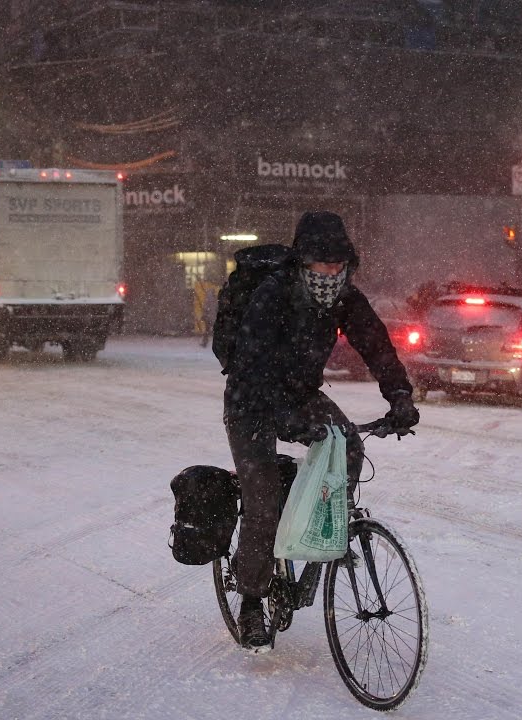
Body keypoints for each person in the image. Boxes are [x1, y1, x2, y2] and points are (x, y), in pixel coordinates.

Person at [220, 210, 419, 653]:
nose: (330, 274)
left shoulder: (346, 297)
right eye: (320, 266)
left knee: (347, 445)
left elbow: (376, 345)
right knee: (263, 502)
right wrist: (277, 415)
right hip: (250, 401)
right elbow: (250, 364)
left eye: (337, 266)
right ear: (302, 263)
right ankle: (252, 600)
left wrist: (400, 396)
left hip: (300, 394)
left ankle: (315, 525)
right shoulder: (273, 295)